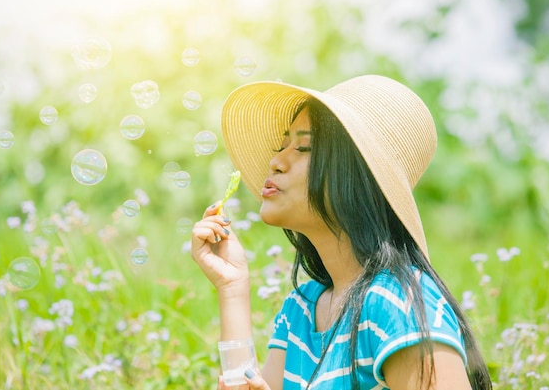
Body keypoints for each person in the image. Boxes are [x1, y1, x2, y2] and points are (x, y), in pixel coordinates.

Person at [191, 75, 493, 390]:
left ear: (357, 178)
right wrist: (232, 288)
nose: (276, 161)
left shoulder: (396, 304)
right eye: (281, 146)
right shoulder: (301, 311)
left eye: (304, 147)